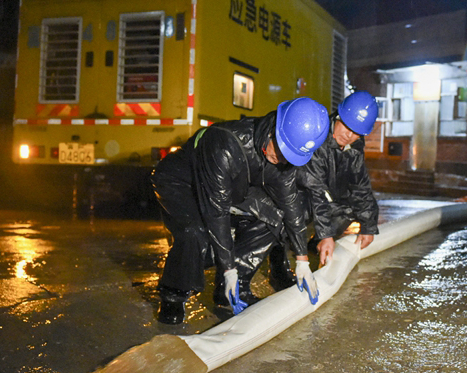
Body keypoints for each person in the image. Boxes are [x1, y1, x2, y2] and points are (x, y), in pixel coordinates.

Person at [152, 97, 330, 325]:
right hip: (181, 182)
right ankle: (173, 295)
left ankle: (233, 287)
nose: (281, 158)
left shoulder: (282, 159)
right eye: (282, 149)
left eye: (290, 156)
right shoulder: (225, 144)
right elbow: (217, 213)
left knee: (274, 217)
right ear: (275, 127)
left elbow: (291, 204)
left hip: (234, 185)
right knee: (194, 233)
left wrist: (302, 259)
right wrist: (228, 269)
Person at [298, 91, 380, 266]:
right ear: (338, 116)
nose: (349, 135)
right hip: (300, 193)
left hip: (324, 196)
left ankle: (315, 247)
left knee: (348, 209)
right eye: (347, 126)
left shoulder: (354, 147)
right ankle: (278, 258)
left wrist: (368, 225)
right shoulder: (318, 136)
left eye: (356, 132)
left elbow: (361, 187)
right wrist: (326, 234)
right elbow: (315, 189)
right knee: (291, 212)